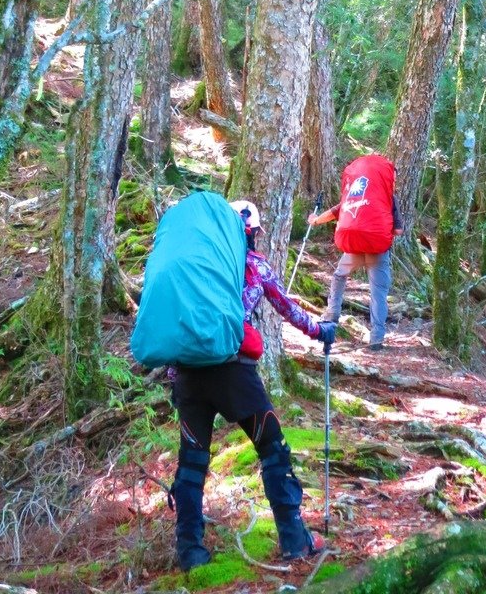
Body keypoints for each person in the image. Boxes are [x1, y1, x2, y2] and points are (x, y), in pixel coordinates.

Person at [168, 199, 337, 570]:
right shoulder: (254, 266)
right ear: (253, 234)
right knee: (272, 448)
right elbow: (287, 308)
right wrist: (320, 330)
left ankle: (190, 552)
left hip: (189, 375)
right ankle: (294, 540)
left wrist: (174, 376)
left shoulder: (196, 267)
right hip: (235, 373)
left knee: (192, 463)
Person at [308, 153, 403, 351]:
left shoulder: (355, 194)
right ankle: (376, 339)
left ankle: (332, 314)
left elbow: (336, 211)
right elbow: (398, 230)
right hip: (377, 249)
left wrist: (315, 220)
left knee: (339, 276)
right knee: (378, 293)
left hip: (355, 246)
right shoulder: (387, 199)